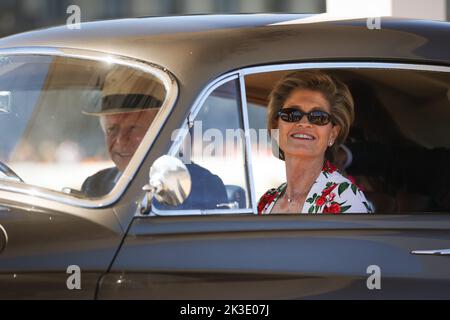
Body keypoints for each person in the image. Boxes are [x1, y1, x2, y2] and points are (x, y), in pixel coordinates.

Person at [81, 67, 228, 210]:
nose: (120, 140)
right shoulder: (95, 186)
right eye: (112, 129)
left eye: (133, 128)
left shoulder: (201, 187)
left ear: (163, 128)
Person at [258, 70, 373, 214]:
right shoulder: (267, 201)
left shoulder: (344, 197)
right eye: (292, 114)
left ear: (332, 134)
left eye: (318, 116)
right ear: (276, 127)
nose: (304, 123)